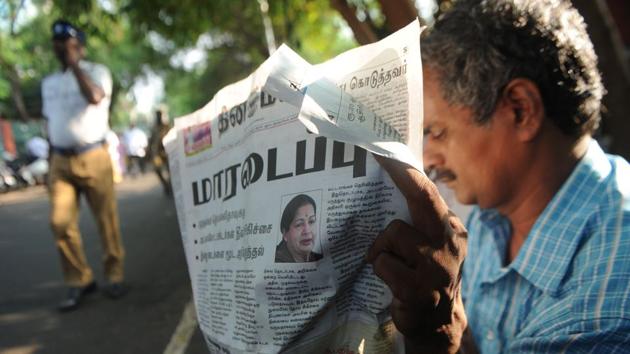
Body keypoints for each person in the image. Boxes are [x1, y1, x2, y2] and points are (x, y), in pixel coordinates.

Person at [366, 0, 630, 353]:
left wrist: (440, 332)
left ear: (520, 109)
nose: (427, 157)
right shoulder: (495, 215)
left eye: (437, 132)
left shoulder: (611, 298)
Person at [42, 20, 127, 312]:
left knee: (106, 220)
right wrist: (49, 162)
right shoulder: (48, 83)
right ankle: (79, 280)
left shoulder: (97, 72)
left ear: (80, 45)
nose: (62, 47)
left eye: (69, 42)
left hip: (94, 156)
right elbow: (50, 122)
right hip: (60, 160)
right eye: (58, 42)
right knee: (60, 223)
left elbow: (94, 97)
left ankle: (114, 274)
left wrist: (76, 65)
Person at [275, 194, 323, 263]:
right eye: (299, 224)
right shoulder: (277, 260)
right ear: (285, 234)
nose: (307, 231)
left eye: (311, 221)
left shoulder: (320, 259)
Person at [148, 107, 172, 195]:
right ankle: (166, 185)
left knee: (170, 170)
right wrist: (149, 151)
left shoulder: (166, 126)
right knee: (157, 169)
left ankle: (169, 185)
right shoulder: (154, 128)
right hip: (157, 153)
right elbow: (151, 140)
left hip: (166, 151)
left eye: (159, 115)